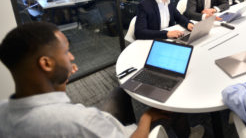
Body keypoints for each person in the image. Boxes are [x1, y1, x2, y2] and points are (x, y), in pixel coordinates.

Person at [0, 22, 171, 137]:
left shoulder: (3, 110)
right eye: (66, 51)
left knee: (121, 91)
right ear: (46, 63)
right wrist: (147, 117)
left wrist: (57, 80)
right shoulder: (81, 121)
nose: (72, 56)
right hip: (123, 132)